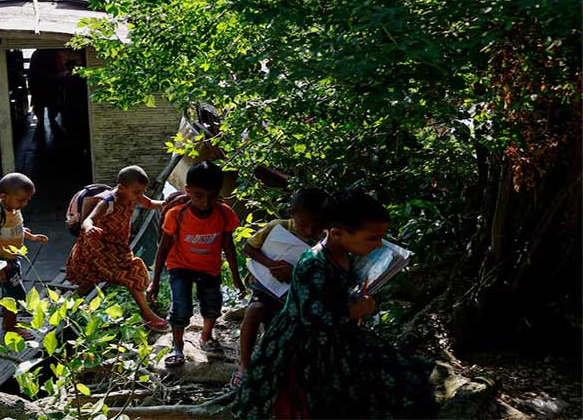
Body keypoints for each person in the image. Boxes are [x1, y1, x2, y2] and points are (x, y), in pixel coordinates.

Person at [233, 189, 436, 419]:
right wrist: (354, 309)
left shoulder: (344, 255)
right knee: (312, 402)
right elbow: (312, 316)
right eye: (372, 238)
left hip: (336, 339)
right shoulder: (313, 263)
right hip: (304, 348)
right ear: (338, 233)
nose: (379, 245)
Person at [146, 161, 244, 367]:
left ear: (219, 193)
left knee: (212, 305)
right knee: (181, 306)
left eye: (213, 196)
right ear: (188, 190)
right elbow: (163, 248)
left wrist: (237, 278)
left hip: (210, 267)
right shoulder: (177, 214)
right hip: (180, 265)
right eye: (199, 196)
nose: (206, 202)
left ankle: (206, 337)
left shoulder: (225, 214)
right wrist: (154, 282)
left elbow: (229, 246)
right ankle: (178, 346)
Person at [232, 187, 328, 388]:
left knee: (284, 328)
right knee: (254, 310)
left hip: (294, 296)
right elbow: (249, 248)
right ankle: (244, 365)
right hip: (265, 287)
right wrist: (270, 264)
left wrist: (293, 274)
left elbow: (320, 278)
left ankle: (280, 369)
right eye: (303, 224)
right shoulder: (277, 228)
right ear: (292, 215)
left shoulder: (324, 244)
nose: (309, 231)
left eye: (317, 226)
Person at [65, 165, 169, 332]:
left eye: (142, 191)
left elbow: (149, 203)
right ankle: (147, 313)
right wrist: (90, 227)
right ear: (121, 188)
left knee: (95, 279)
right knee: (129, 273)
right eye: (136, 192)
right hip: (99, 247)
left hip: (118, 246)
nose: (139, 195)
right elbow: (88, 221)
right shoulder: (108, 202)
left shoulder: (134, 196)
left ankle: (68, 306)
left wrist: (166, 203)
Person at [0, 173, 49, 339]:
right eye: (21, 200)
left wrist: (32, 237)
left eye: (28, 200)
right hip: (2, 263)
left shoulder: (13, 209)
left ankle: (9, 322)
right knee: (16, 295)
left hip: (14, 259)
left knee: (11, 294)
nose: (25, 203)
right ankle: (11, 328)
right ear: (4, 196)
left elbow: (15, 229)